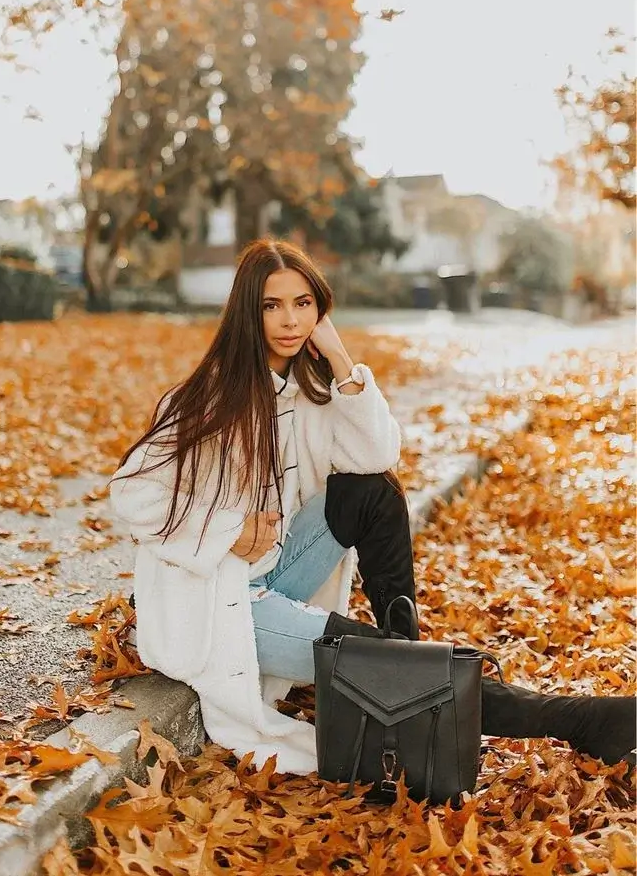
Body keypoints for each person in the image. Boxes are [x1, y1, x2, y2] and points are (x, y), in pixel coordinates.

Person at [107, 238, 636, 777]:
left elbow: (377, 455)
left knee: (372, 491)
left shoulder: (306, 391)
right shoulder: (208, 399)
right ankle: (580, 719)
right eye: (272, 305)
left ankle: (403, 646)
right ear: (248, 311)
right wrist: (228, 531)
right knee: (380, 658)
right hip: (219, 602)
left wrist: (340, 361)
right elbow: (132, 492)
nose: (289, 320)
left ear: (319, 310)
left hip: (273, 570)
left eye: (303, 303)